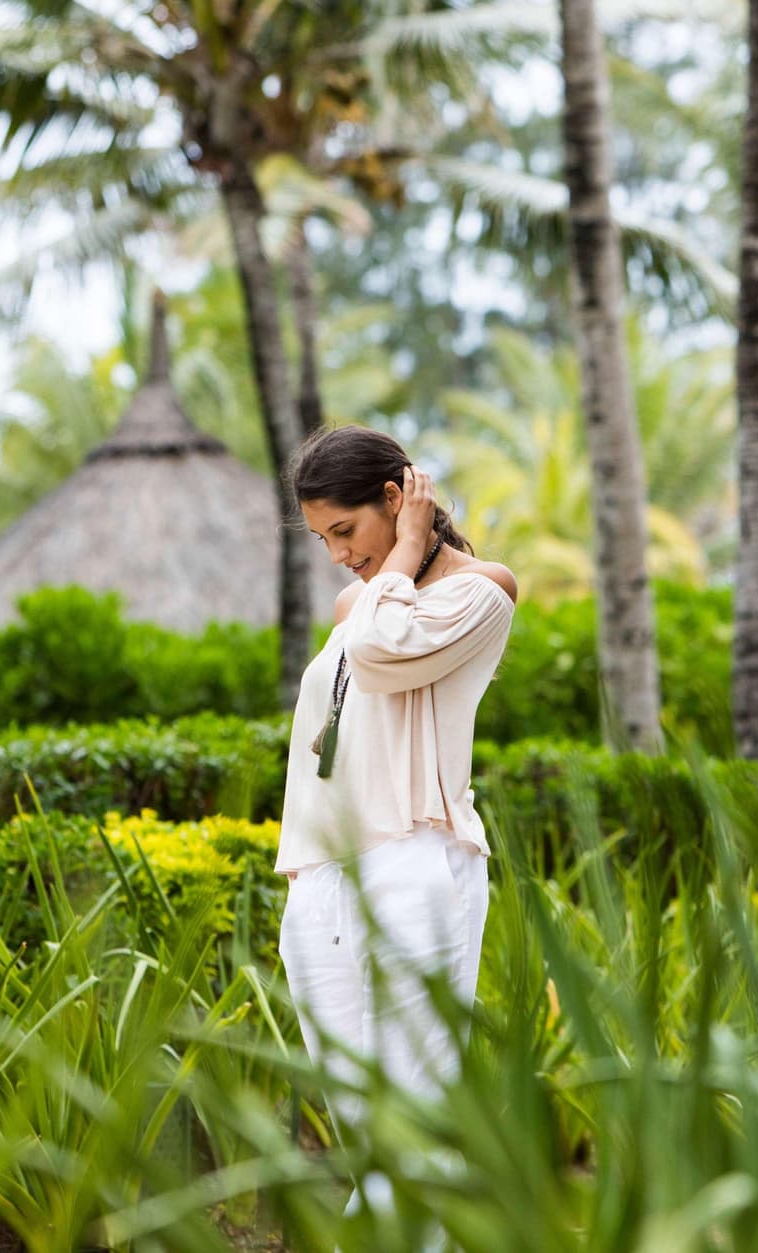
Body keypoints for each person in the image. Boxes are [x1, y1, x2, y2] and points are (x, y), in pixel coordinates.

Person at [275, 423, 518, 1233]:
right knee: (368, 1128)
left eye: (345, 530)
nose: (339, 555)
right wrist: (305, 874)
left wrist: (407, 550)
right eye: (322, 539)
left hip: (416, 857)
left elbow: (380, 656)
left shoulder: (482, 592)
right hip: (325, 875)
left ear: (396, 497)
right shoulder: (361, 602)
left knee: (411, 1122)